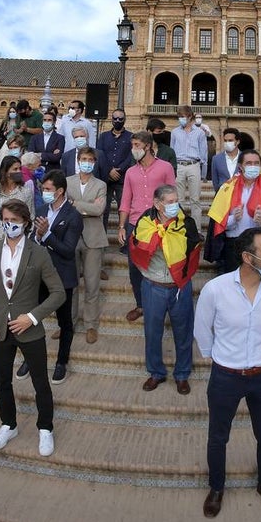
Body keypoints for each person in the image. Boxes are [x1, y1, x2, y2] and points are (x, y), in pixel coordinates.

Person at [195, 226, 261, 519]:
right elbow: (202, 329)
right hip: (226, 376)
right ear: (248, 257)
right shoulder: (216, 289)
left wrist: (258, 355)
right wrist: (217, 358)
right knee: (218, 436)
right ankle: (216, 488)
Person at [0, 200, 65, 457]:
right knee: (2, 381)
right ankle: (8, 424)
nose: (10, 225)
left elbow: (58, 293)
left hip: (30, 330)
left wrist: (32, 317)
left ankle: (45, 428)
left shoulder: (38, 253)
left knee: (41, 382)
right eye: (6, 220)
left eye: (15, 221)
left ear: (25, 223)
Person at [131, 184, 202, 394]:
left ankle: (182, 374)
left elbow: (193, 252)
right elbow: (136, 248)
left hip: (179, 287)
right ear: (157, 203)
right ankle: (156, 373)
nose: (175, 205)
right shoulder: (145, 222)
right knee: (152, 332)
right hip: (153, 286)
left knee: (183, 332)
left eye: (176, 201)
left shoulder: (186, 223)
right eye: (170, 202)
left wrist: (182, 273)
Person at [20, 171, 82, 384]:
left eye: (48, 189)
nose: (44, 192)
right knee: (32, 317)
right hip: (39, 275)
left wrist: (46, 235)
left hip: (62, 277)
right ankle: (30, 358)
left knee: (65, 322)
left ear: (60, 191)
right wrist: (38, 237)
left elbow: (68, 250)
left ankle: (61, 362)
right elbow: (31, 240)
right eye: (43, 188)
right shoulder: (40, 210)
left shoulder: (73, 216)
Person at [118, 131, 176, 322]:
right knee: (135, 267)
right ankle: (140, 304)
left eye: (137, 145)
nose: (133, 149)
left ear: (148, 146)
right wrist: (121, 226)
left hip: (160, 224)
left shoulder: (165, 167)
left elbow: (172, 197)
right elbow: (125, 201)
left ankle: (165, 304)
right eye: (132, 145)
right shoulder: (130, 172)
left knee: (163, 263)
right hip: (135, 224)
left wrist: (171, 222)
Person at [207, 148, 261, 274]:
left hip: (259, 245)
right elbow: (218, 223)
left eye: (256, 163)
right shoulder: (227, 187)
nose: (253, 166)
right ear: (240, 166)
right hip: (233, 244)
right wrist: (234, 218)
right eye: (249, 163)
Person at [67, 146, 108, 344]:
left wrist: (75, 204)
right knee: (71, 283)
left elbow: (99, 210)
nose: (87, 162)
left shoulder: (101, 184)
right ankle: (69, 323)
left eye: (90, 160)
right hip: (70, 237)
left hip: (93, 237)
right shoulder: (67, 182)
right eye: (84, 159)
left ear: (94, 162)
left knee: (92, 284)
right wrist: (87, 207)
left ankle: (90, 324)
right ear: (78, 160)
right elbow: (63, 206)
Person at [171, 104, 208, 231]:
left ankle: (196, 229)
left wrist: (203, 173)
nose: (181, 119)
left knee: (195, 200)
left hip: (194, 165)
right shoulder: (174, 132)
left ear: (190, 116)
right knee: (178, 199)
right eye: (179, 116)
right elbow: (172, 150)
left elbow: (204, 153)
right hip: (179, 165)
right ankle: (179, 227)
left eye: (183, 116)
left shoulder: (199, 133)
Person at [96, 108, 133, 224]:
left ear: (124, 120)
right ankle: (102, 235)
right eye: (115, 118)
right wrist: (109, 170)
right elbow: (99, 154)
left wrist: (120, 170)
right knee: (103, 209)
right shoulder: (103, 136)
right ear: (111, 119)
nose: (117, 121)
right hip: (105, 179)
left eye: (120, 119)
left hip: (122, 179)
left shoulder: (131, 137)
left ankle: (124, 233)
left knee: (124, 209)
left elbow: (131, 156)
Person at [0, 154, 35, 241]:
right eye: (15, 169)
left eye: (20, 168)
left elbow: (31, 217)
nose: (19, 171)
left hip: (19, 239)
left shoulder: (26, 191)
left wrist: (28, 238)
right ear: (6, 172)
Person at [210, 126, 242, 192]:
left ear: (237, 142)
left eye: (230, 140)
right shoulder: (216, 159)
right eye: (225, 141)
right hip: (223, 194)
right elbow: (215, 181)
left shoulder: (245, 157)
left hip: (240, 194)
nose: (227, 143)